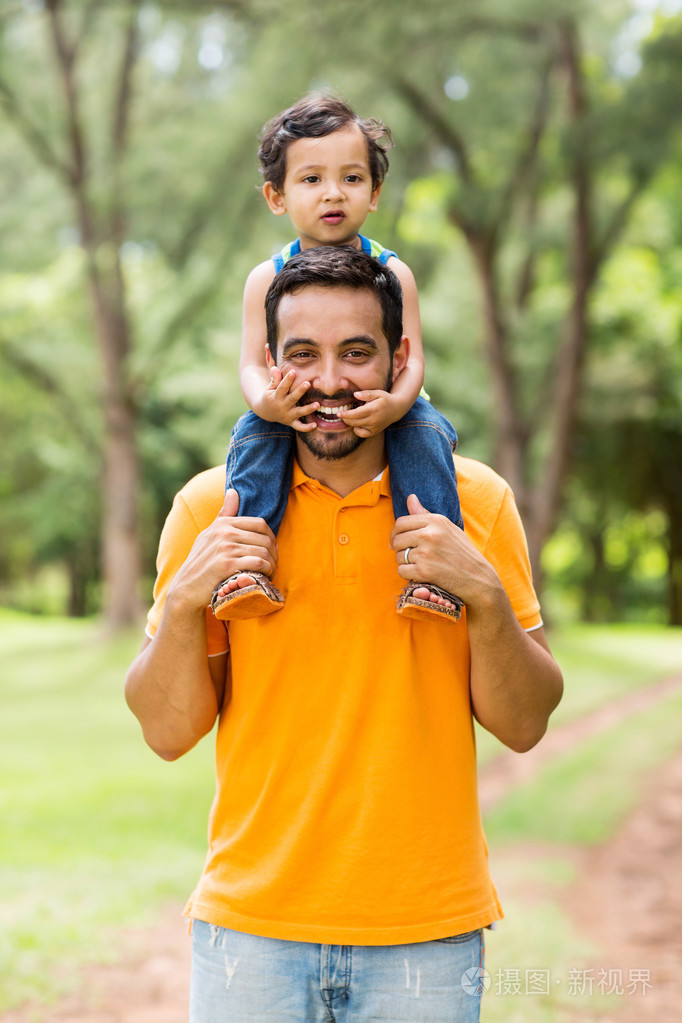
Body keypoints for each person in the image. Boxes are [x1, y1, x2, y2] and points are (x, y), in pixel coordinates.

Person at [125, 245, 563, 1023]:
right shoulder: (212, 509)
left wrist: (485, 594)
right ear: (268, 362)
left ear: (399, 361)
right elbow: (165, 730)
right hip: (250, 934)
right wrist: (191, 594)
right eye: (303, 355)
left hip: (427, 932)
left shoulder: (475, 503)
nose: (329, 381)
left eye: (355, 353)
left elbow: (526, 723)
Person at [211, 93, 464, 625]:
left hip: (387, 397)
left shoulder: (393, 272)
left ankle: (435, 571)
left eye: (351, 179)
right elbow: (251, 365)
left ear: (374, 193)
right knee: (254, 435)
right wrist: (268, 403)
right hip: (294, 401)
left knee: (427, 432)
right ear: (276, 196)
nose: (333, 194)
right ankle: (244, 565)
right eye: (311, 180)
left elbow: (411, 360)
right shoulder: (266, 277)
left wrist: (395, 404)